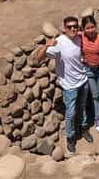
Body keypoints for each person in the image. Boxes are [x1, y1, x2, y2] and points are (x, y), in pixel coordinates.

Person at [35, 16, 93, 157]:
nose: (73, 29)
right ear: (64, 29)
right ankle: (71, 138)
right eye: (70, 27)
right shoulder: (59, 43)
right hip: (69, 87)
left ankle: (84, 128)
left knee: (83, 107)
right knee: (70, 114)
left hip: (83, 81)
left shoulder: (80, 38)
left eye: (75, 26)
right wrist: (47, 45)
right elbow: (38, 57)